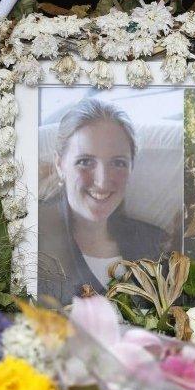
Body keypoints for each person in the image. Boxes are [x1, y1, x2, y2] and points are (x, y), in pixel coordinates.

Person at [38, 98, 167, 304]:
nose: (102, 181)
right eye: (85, 161)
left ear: (132, 167)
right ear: (60, 164)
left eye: (118, 163)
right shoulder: (31, 238)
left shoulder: (156, 246)